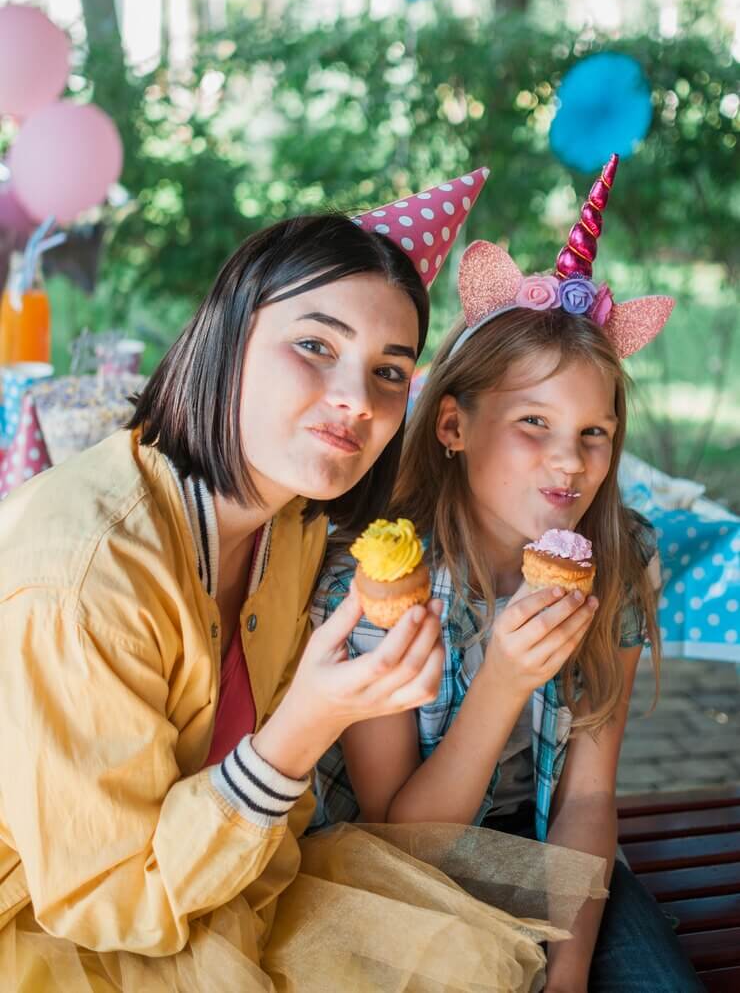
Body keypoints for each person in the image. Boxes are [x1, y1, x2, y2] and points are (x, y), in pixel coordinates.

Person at [0, 188, 475, 991]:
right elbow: (105, 902)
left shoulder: (288, 528)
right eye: (317, 345)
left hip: (214, 888)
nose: (359, 400)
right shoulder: (86, 580)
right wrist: (307, 725)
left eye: (390, 371)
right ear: (229, 339)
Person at [313, 156, 702, 992]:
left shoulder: (622, 559)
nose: (571, 462)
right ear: (452, 424)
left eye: (594, 432)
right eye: (534, 422)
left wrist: (566, 976)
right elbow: (400, 839)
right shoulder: (381, 579)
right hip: (401, 879)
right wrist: (503, 681)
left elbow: (589, 801)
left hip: (554, 857)